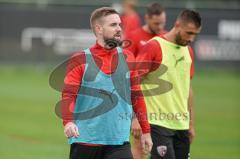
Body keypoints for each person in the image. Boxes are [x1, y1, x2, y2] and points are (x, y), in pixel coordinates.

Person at [60, 7, 152, 159]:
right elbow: (68, 95)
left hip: (119, 143)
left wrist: (146, 131)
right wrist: (68, 122)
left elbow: (137, 96)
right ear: (99, 29)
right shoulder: (80, 59)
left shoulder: (128, 58)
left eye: (119, 24)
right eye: (113, 25)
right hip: (85, 141)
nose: (119, 29)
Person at [136, 9, 202, 159]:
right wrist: (136, 118)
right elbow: (133, 82)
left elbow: (187, 89)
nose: (191, 38)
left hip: (181, 126)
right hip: (157, 123)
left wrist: (190, 123)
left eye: (195, 34)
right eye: (189, 33)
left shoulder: (189, 52)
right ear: (177, 25)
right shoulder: (154, 46)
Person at [126, 3, 167, 159]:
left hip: (162, 102)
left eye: (162, 22)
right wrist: (135, 115)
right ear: (147, 18)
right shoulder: (134, 38)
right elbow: (128, 73)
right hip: (140, 99)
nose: (160, 26)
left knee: (162, 146)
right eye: (156, 23)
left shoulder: (165, 38)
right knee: (140, 145)